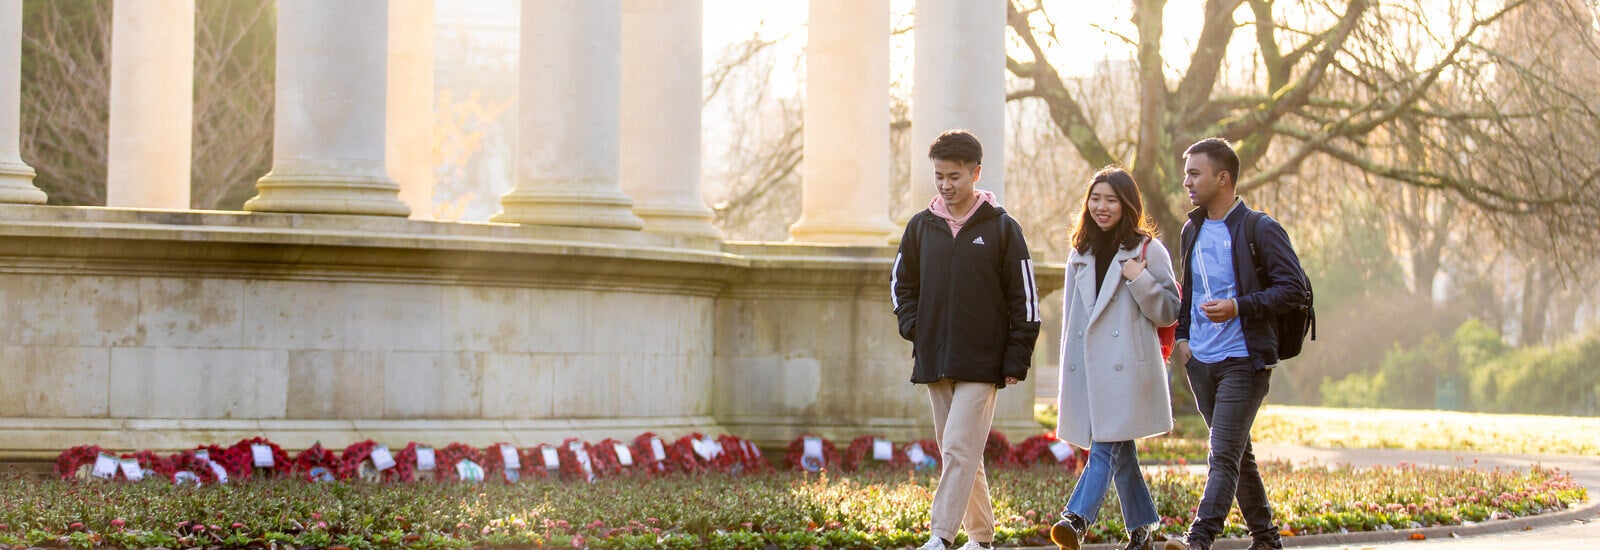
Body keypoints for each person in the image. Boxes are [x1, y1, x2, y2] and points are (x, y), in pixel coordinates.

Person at [893, 129, 1042, 550]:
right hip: (935, 357)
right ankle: (982, 537)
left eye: (954, 176)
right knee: (960, 451)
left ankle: (940, 535)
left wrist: (1017, 356)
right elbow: (901, 284)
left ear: (976, 173)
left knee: (959, 446)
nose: (945, 184)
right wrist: (914, 327)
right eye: (939, 175)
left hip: (983, 360)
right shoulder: (922, 227)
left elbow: (1025, 298)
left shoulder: (1003, 229)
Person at [1164, 138, 1308, 550]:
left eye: (1195, 173)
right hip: (1201, 362)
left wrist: (1238, 307)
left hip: (1244, 360)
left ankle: (1198, 540)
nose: (1186, 181)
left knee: (1222, 455)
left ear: (1222, 178)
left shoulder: (1259, 228)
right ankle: (1266, 540)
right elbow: (1188, 291)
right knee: (1237, 456)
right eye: (1186, 172)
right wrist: (1184, 340)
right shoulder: (1191, 229)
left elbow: (1293, 289)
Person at [1049, 167, 1180, 550]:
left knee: (1106, 445)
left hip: (1128, 369)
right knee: (1119, 450)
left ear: (1128, 205)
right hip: (1091, 368)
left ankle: (1076, 519)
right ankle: (1143, 531)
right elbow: (1074, 321)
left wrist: (1140, 278)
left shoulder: (1147, 249)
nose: (1102, 207)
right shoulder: (1080, 252)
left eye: (1111, 200)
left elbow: (1170, 311)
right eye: (1095, 198)